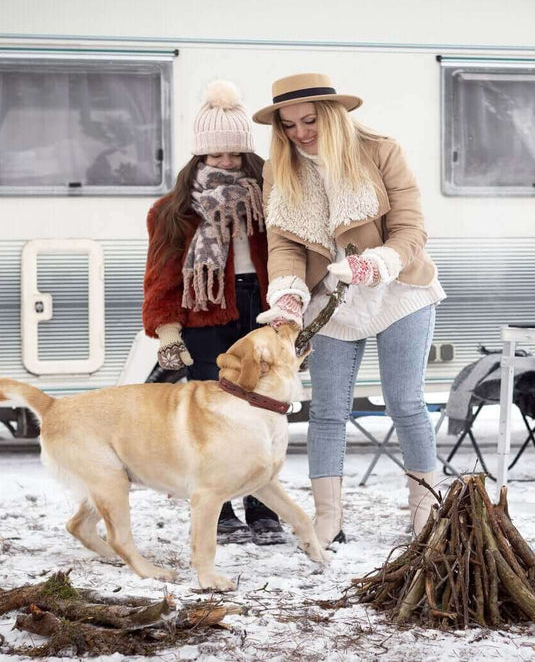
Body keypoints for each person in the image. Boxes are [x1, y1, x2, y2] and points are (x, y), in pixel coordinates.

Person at [251, 73, 446, 547]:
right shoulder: (282, 167)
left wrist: (374, 263)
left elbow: (410, 227)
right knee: (327, 412)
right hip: (332, 301)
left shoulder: (380, 150)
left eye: (309, 120)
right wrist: (290, 296)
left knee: (405, 402)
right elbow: (284, 243)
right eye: (289, 124)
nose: (300, 132)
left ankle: (426, 513)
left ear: (332, 114)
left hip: (397, 289)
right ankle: (328, 520)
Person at [142, 80, 286, 546]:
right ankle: (219, 507)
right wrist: (168, 335)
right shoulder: (172, 210)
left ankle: (263, 505)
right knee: (213, 414)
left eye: (234, 154)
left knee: (264, 408)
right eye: (215, 155)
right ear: (199, 157)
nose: (226, 163)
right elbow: (162, 277)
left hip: (261, 309)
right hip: (204, 313)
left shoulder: (272, 197)